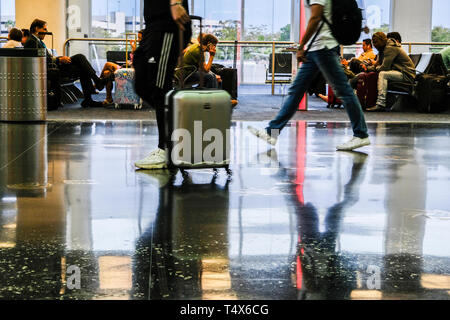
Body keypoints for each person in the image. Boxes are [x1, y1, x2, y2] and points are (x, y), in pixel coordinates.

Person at [248, 0, 370, 151]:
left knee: (343, 91)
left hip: (324, 47)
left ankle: (361, 134)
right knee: (296, 91)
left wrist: (301, 46)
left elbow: (316, 17)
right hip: (316, 49)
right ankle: (272, 132)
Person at [133, 0, 192, 170]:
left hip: (168, 23)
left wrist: (175, 3)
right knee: (142, 84)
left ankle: (166, 148)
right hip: (152, 27)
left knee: (160, 87)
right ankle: (178, 125)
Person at [24, 19, 109, 108]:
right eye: (45, 29)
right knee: (82, 65)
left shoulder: (36, 41)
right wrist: (59, 60)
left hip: (53, 66)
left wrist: (59, 58)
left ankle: (92, 91)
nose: (46, 32)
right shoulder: (31, 42)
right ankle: (95, 85)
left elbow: (46, 58)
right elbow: (39, 60)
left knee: (80, 59)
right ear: (37, 28)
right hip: (48, 70)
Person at [364, 32, 415, 112]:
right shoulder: (382, 48)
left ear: (382, 40)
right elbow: (377, 64)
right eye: (373, 42)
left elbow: (384, 67)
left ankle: (380, 103)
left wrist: (374, 68)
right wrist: (367, 68)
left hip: (406, 74)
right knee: (378, 73)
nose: (374, 45)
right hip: (398, 71)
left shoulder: (390, 48)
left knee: (383, 74)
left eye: (376, 42)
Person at [100, 30, 144, 106]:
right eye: (138, 38)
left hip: (129, 71)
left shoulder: (145, 48)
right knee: (106, 73)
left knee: (107, 64)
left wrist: (131, 62)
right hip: (127, 69)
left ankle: (98, 82)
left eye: (140, 38)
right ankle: (108, 98)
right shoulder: (140, 47)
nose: (138, 39)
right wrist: (133, 48)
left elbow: (138, 63)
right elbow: (135, 59)